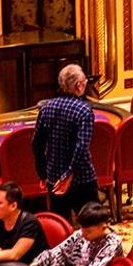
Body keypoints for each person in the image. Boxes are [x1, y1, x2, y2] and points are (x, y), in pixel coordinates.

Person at [33, 63, 97, 218]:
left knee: (62, 228)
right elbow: (81, 148)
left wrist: (42, 173)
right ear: (79, 86)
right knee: (93, 226)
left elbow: (37, 143)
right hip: (81, 178)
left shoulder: (46, 108)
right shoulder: (83, 111)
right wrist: (68, 175)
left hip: (53, 177)